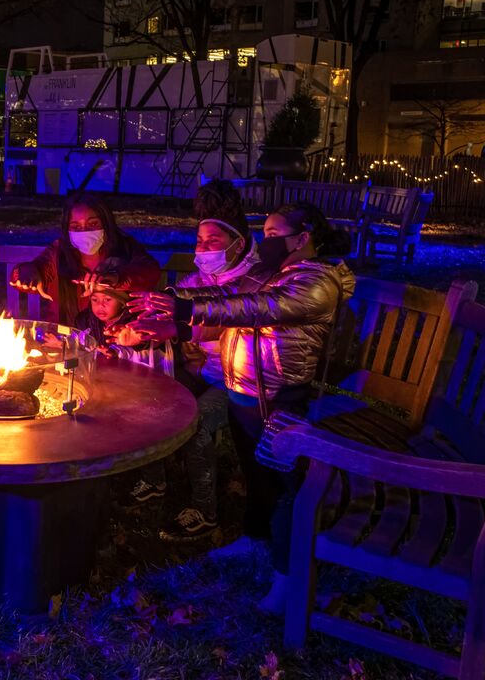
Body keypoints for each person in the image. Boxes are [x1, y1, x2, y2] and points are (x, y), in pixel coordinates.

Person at [128, 202, 355, 613]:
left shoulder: (316, 282)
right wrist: (175, 297)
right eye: (263, 232)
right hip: (245, 391)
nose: (265, 242)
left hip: (280, 396)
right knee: (257, 475)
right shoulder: (279, 272)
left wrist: (184, 310)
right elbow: (229, 295)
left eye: (273, 234)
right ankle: (255, 539)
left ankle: (288, 578)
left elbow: (254, 309)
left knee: (286, 485)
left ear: (303, 238)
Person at [120, 181, 262, 538]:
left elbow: (223, 321)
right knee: (148, 399)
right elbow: (177, 298)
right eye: (199, 242)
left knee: (196, 427)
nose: (204, 249)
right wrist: (141, 325)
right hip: (200, 369)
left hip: (236, 381)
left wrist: (177, 329)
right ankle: (155, 480)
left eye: (213, 242)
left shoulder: (255, 284)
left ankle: (205, 510)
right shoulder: (201, 277)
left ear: (238, 244)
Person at [10, 193, 161, 325]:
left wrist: (116, 277)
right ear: (66, 229)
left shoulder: (126, 248)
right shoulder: (59, 253)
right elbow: (35, 270)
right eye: (76, 227)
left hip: (113, 341)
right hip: (63, 340)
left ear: (106, 223)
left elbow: (149, 271)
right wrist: (26, 272)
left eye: (93, 224)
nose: (85, 232)